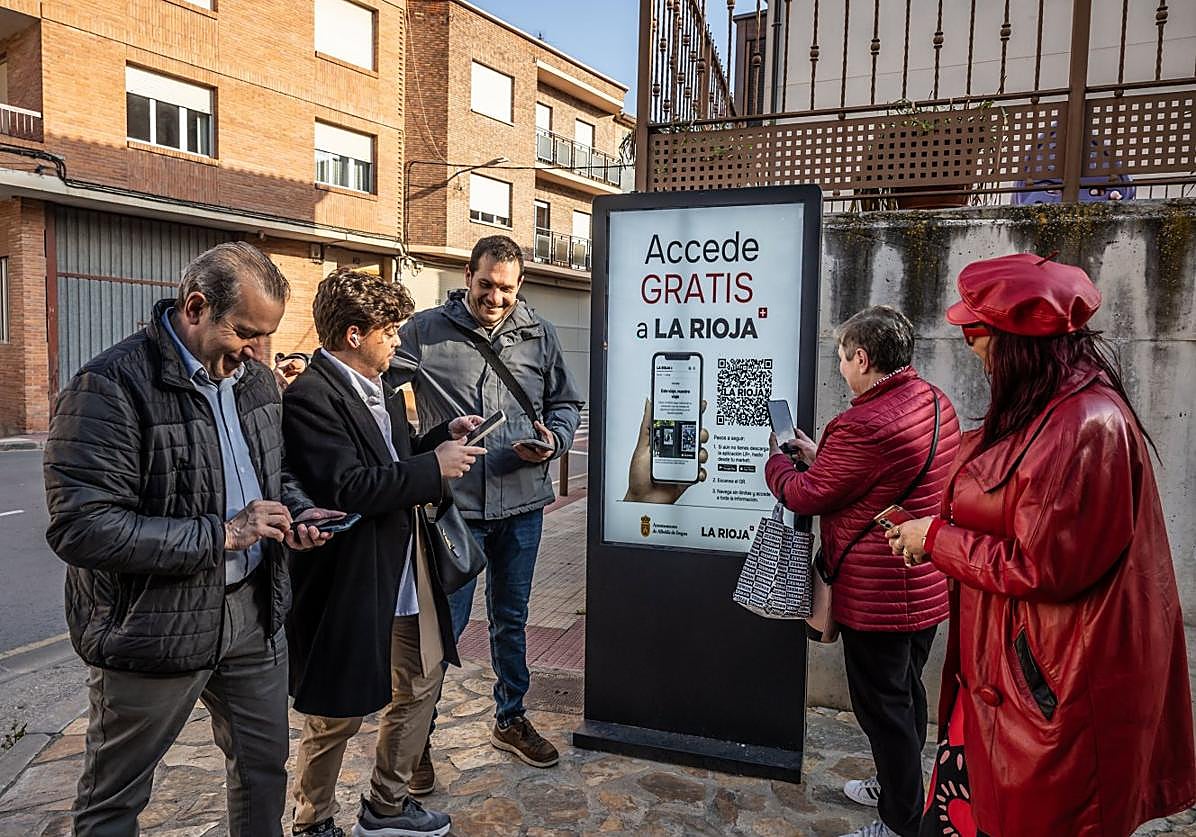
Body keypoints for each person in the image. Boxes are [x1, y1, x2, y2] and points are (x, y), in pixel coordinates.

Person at [887, 254, 1196, 837]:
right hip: (1003, 682)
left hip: (1045, 693)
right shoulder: (1047, 409)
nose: (969, 345)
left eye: (976, 332)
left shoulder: (1084, 426)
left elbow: (1042, 563)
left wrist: (935, 538)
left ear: (1018, 342)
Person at [43, 242, 340, 836]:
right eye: (247, 333)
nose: (260, 352)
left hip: (254, 617)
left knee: (263, 771)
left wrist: (297, 516)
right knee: (115, 799)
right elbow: (80, 527)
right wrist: (226, 534)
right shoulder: (108, 385)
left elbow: (269, 474)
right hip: (152, 624)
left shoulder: (255, 381)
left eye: (267, 335)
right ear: (197, 306)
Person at [281, 268, 485, 837]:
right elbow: (347, 486)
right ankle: (312, 819)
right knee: (336, 710)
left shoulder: (384, 386)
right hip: (350, 576)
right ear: (353, 335)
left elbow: (388, 460)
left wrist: (439, 438)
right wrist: (430, 469)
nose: (397, 339)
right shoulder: (309, 398)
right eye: (389, 330)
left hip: (404, 564)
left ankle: (387, 806)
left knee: (422, 680)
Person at [388, 235, 583, 784]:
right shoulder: (424, 331)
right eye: (486, 285)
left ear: (519, 285)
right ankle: (418, 737)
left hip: (522, 505)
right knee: (441, 626)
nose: (495, 297)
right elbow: (379, 399)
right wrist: (424, 445)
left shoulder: (538, 333)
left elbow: (566, 402)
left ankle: (511, 718)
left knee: (511, 620)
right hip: (455, 510)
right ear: (468, 277)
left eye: (506, 287)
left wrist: (557, 439)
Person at [764, 305, 960, 837]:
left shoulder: (861, 424)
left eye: (843, 358)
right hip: (925, 583)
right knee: (908, 696)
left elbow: (808, 494)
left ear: (864, 357)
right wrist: (818, 451)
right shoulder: (934, 402)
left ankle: (899, 822)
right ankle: (898, 788)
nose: (841, 368)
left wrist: (777, 462)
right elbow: (871, 476)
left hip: (878, 596)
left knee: (883, 709)